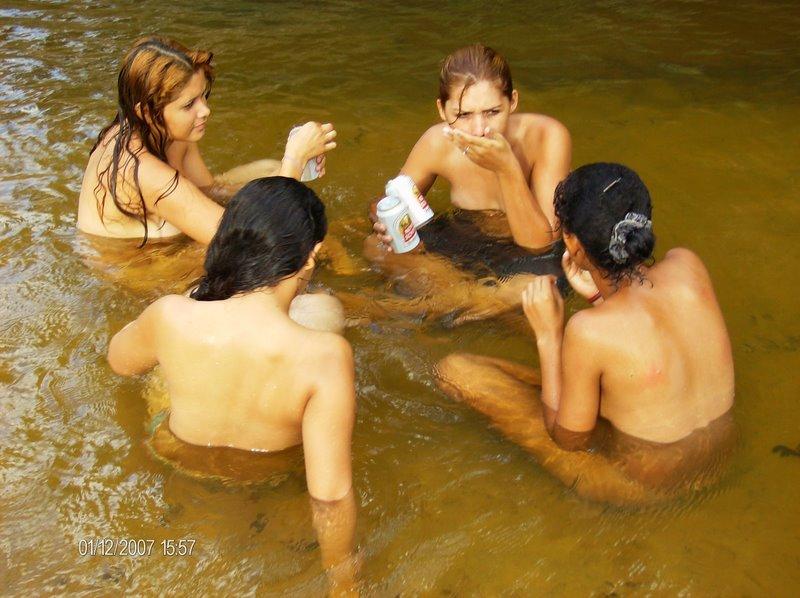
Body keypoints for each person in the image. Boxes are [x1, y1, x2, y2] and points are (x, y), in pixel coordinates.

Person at [107, 177, 357, 592]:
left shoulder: (170, 314)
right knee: (327, 312)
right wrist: (344, 583)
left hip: (174, 456)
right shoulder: (325, 357)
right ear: (310, 258)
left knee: (161, 372)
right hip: (268, 476)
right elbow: (330, 495)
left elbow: (119, 362)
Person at [435, 163, 736, 506]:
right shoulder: (688, 265)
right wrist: (597, 297)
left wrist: (550, 335)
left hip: (640, 488)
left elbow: (567, 438)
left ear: (573, 245)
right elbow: (645, 338)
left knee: (456, 371)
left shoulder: (589, 332)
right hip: (716, 463)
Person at [362, 44, 572, 325]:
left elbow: (542, 245)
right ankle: (477, 302)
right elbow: (386, 201)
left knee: (545, 282)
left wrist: (506, 168)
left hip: (528, 257)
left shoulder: (547, 136)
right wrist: (389, 225)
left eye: (493, 112)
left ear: (513, 102)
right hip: (464, 239)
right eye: (463, 115)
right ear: (442, 110)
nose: (479, 129)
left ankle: (435, 307)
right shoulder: (437, 142)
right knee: (374, 246)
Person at [77, 36, 337, 246]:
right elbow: (247, 247)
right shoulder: (145, 171)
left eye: (203, 96)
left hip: (177, 228)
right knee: (295, 248)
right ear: (146, 112)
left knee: (270, 169)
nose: (205, 111)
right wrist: (294, 159)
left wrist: (285, 171)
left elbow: (208, 191)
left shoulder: (167, 130)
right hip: (143, 265)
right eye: (189, 104)